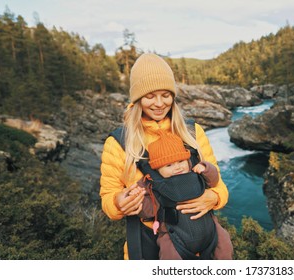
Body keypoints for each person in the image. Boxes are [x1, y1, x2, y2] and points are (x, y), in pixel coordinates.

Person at [100, 53, 230, 260]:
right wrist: (117, 203)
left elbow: (218, 183)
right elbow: (108, 197)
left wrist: (214, 197)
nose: (159, 103)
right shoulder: (118, 143)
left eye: (166, 95)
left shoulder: (192, 133)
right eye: (150, 96)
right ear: (137, 98)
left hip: (202, 243)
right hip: (149, 247)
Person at [129, 130, 233, 259]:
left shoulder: (195, 171)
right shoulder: (154, 184)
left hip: (210, 230)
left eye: (180, 161)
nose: (177, 167)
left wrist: (206, 168)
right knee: (169, 255)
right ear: (157, 170)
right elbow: (149, 211)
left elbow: (214, 180)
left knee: (225, 244)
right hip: (174, 236)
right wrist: (137, 198)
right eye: (169, 165)